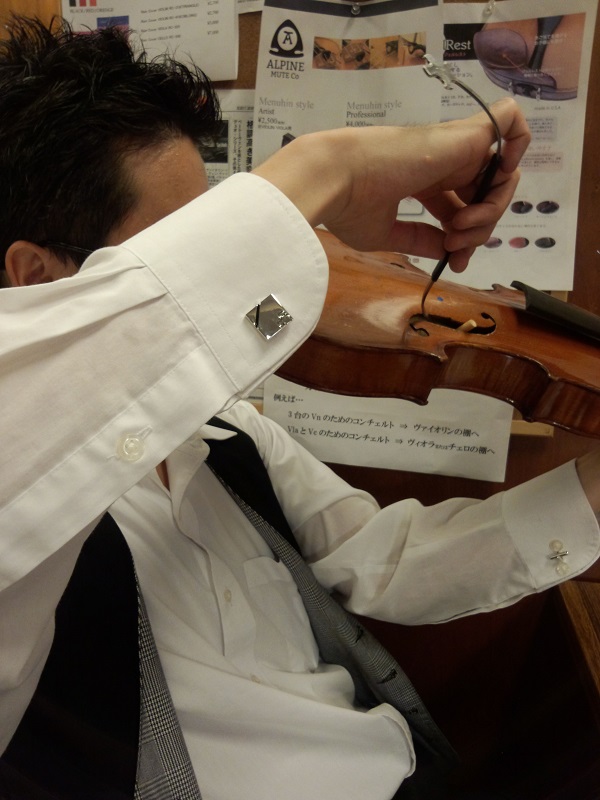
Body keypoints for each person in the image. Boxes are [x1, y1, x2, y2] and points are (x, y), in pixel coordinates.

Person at [0, 15, 598, 800]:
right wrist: (331, 165)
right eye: (184, 253)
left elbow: (384, 558)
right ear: (37, 278)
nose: (222, 273)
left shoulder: (231, 430)